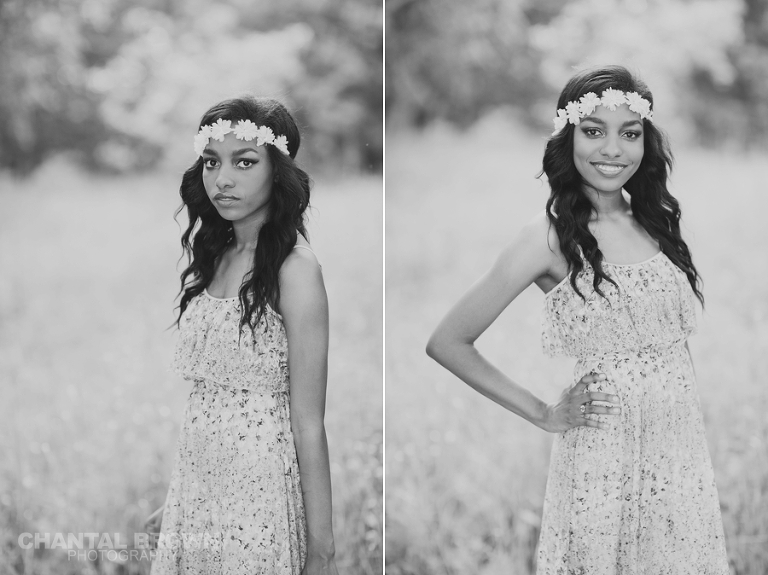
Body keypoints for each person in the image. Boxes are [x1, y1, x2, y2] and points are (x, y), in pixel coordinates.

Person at [426, 66, 729, 573]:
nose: (612, 148)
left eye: (629, 133)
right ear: (567, 137)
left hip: (676, 448)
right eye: (594, 131)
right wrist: (544, 412)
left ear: (645, 143)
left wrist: (685, 442)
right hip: (603, 449)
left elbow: (674, 343)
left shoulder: (655, 220)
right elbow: (449, 341)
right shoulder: (547, 237)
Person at [145, 96, 339, 575]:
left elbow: (309, 422)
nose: (222, 179)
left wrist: (322, 552)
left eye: (244, 162)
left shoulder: (295, 270)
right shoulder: (217, 252)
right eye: (211, 162)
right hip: (198, 479)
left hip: (259, 487)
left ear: (278, 171)